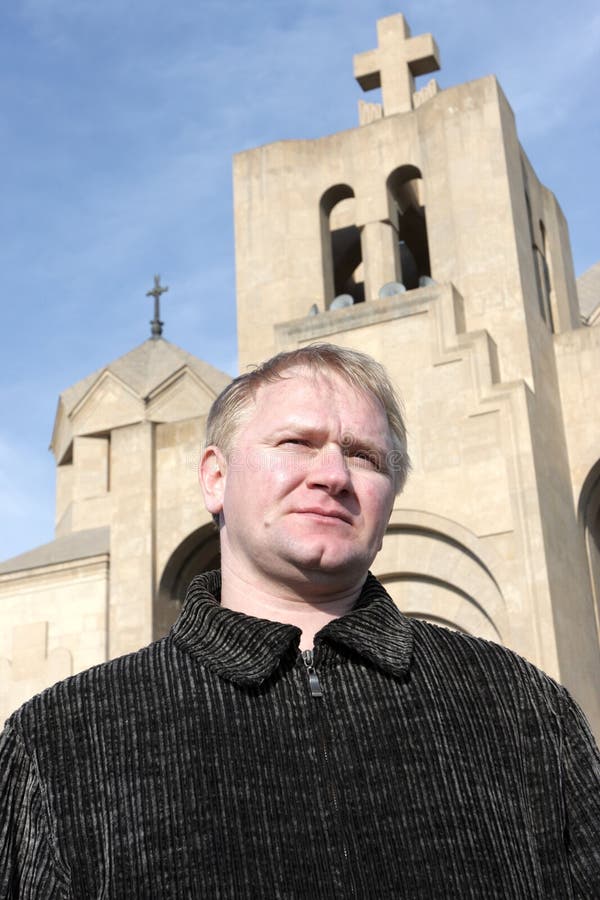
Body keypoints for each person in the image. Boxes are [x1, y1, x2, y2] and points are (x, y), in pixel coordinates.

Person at [1, 342, 599, 899]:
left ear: (390, 496)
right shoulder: (65, 742)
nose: (333, 475)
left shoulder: (517, 708)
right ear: (215, 476)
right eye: (296, 443)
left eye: (364, 456)